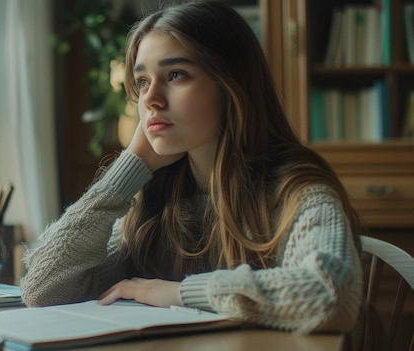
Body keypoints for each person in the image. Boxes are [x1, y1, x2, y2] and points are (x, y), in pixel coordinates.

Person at [21, 0, 363, 334]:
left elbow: (329, 296)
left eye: (175, 74)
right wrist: (127, 170)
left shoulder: (296, 191)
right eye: (142, 82)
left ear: (231, 86)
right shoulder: (154, 202)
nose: (151, 99)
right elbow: (43, 288)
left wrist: (179, 293)